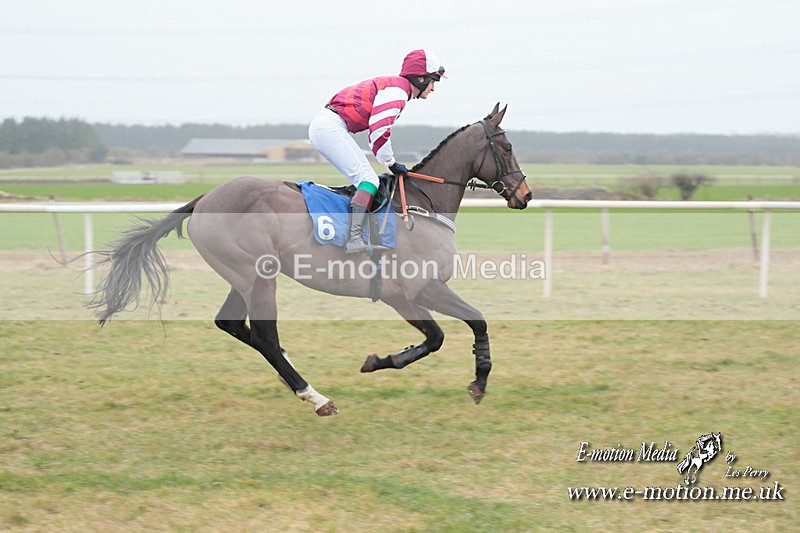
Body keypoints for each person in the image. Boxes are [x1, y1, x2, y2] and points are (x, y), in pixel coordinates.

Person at [308, 49, 445, 253]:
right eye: (433, 81)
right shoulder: (398, 92)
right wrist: (390, 162)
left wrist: (389, 162)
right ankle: (354, 239)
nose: (433, 88)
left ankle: (362, 232)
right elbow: (379, 130)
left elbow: (377, 133)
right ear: (421, 78)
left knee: (365, 180)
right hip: (330, 128)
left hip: (328, 126)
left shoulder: (397, 89)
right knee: (369, 180)